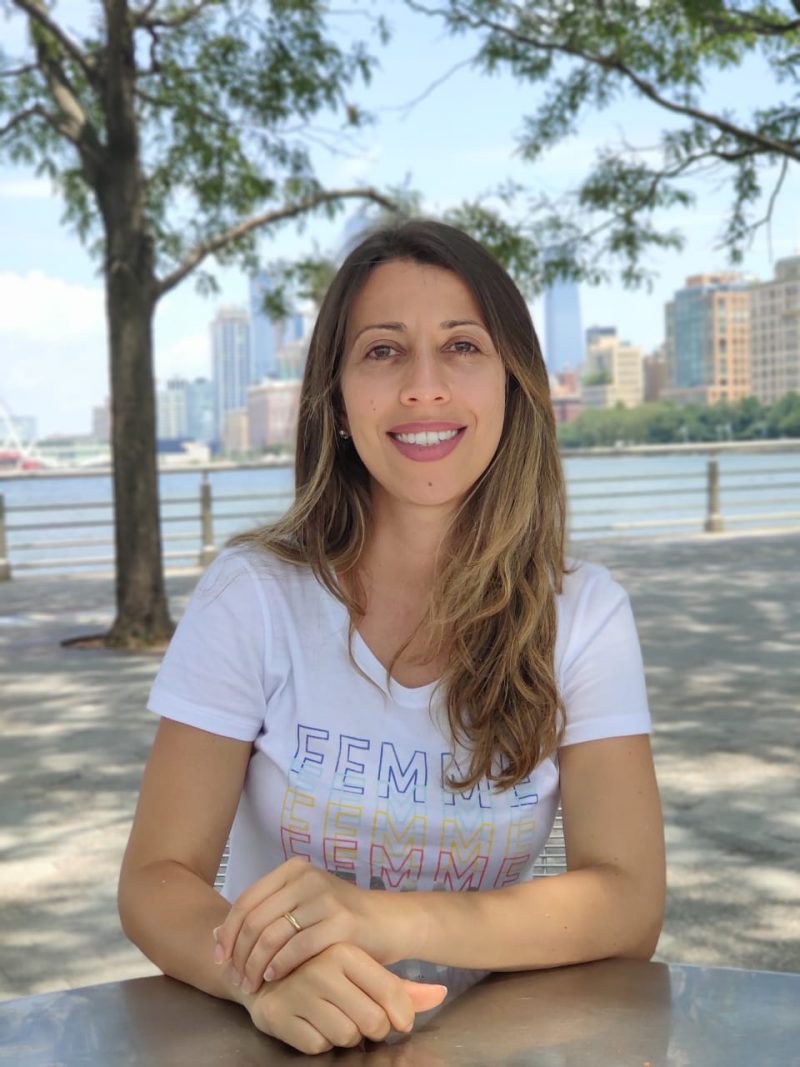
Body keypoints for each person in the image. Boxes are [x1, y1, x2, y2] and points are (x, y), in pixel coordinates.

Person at [118, 219, 666, 1055]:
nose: (423, 387)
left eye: (462, 346)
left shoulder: (584, 615)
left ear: (513, 384)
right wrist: (260, 978)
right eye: (383, 351)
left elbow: (628, 903)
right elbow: (156, 880)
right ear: (336, 400)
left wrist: (383, 917)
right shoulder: (253, 595)